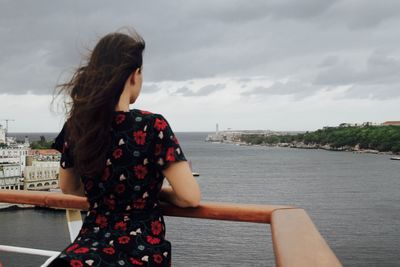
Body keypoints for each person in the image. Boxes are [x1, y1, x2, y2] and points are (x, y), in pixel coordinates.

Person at [48, 29, 201, 267]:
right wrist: (148, 191)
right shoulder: (153, 126)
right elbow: (189, 198)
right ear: (133, 75)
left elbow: (70, 188)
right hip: (140, 251)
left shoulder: (77, 125)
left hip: (85, 249)